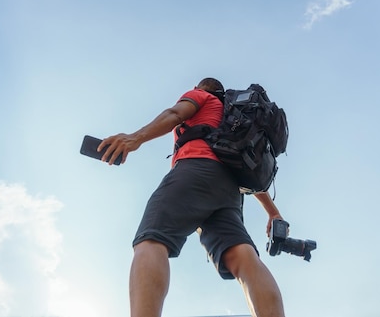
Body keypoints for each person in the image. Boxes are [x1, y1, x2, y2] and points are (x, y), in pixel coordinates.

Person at [98, 77, 286, 317]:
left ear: (200, 89)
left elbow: (175, 113)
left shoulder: (202, 97)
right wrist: (273, 211)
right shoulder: (233, 119)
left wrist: (135, 138)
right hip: (229, 191)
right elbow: (248, 166)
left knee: (151, 240)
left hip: (195, 171)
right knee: (243, 258)